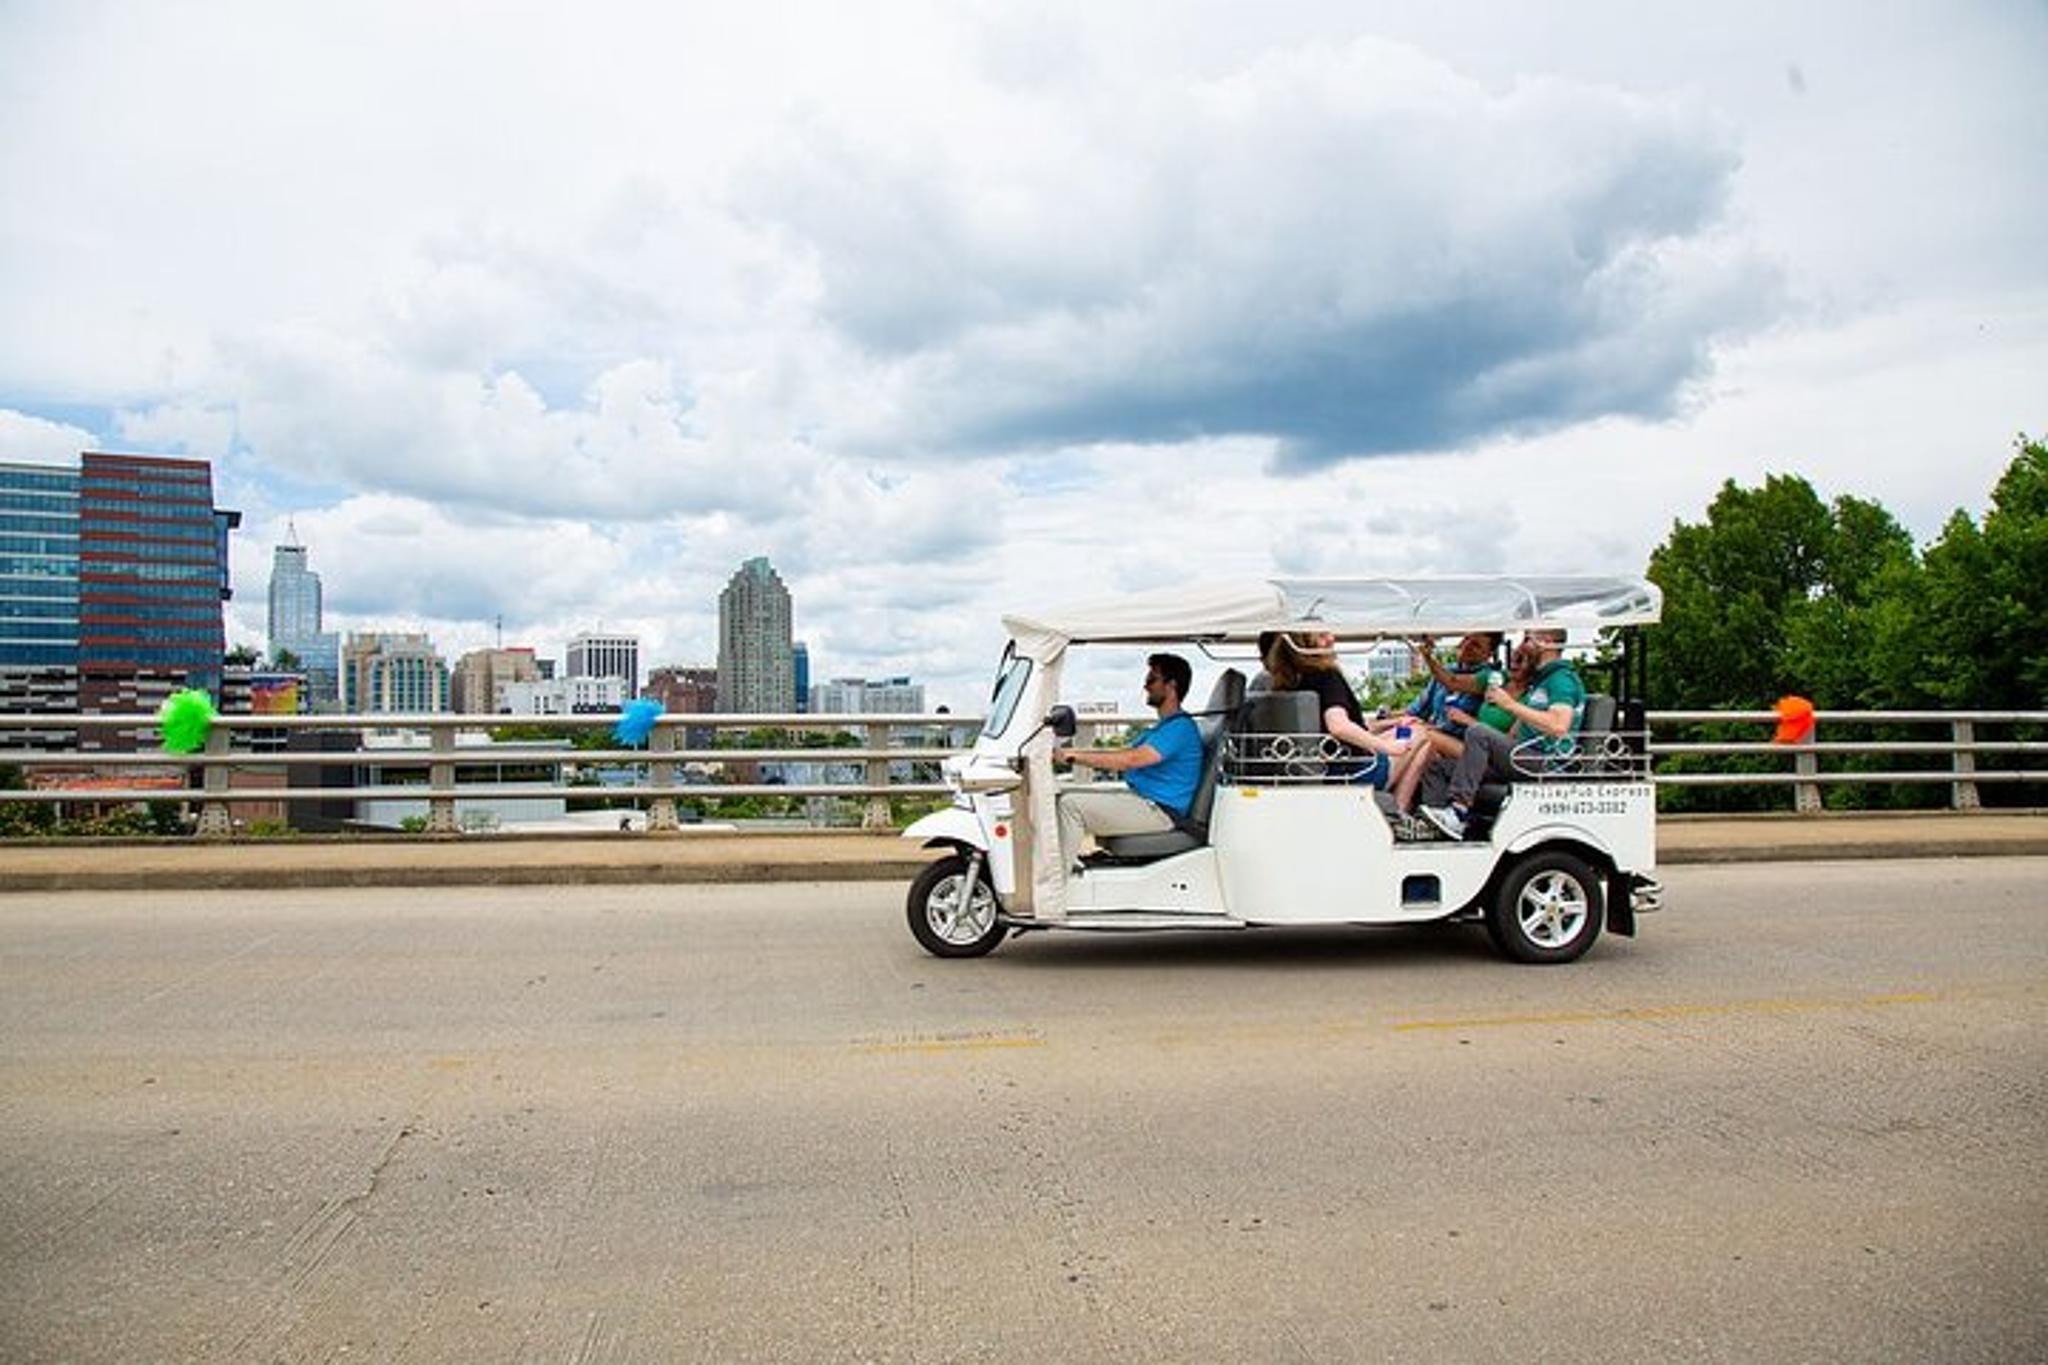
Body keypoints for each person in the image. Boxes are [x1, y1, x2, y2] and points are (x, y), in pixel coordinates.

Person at [1420, 629, 1586, 840]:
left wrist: (1508, 704)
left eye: (1527, 639)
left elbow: (1559, 725)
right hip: (1522, 756)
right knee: (1439, 768)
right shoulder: (1541, 681)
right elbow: (1518, 729)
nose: (1522, 647)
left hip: (1546, 763)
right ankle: (1434, 830)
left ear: (1546, 642)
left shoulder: (1561, 680)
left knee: (1478, 732)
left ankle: (1458, 812)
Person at [1054, 652, 1204, 869]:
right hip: (1145, 800)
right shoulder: (1163, 727)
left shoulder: (1180, 728)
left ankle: (1056, 886)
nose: (1146, 686)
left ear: (1171, 686)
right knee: (1064, 795)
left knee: (1070, 806)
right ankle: (1064, 870)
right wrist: (1071, 752)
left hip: (1161, 811)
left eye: (1151, 680)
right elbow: (1122, 753)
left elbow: (1132, 759)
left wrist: (1072, 756)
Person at [1385, 633, 1510, 815]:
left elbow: (1452, 683)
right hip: (1437, 738)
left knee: (1424, 737)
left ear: (1489, 653)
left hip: (1468, 747)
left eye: (1475, 645)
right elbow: (1415, 710)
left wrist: (1427, 656)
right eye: (1466, 639)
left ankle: (1399, 805)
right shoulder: (1444, 673)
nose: (1466, 646)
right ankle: (1397, 800)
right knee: (1408, 729)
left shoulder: (1491, 677)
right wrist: (1385, 718)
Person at [1264, 631, 1411, 785]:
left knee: (1401, 734)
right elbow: (1338, 726)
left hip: (1306, 769)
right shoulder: (1327, 676)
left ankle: (1395, 804)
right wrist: (1387, 747)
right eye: (1322, 636)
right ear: (1304, 645)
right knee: (1421, 736)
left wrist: (1390, 725)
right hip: (1352, 772)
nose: (1331, 639)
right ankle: (1401, 805)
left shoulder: (1286, 681)